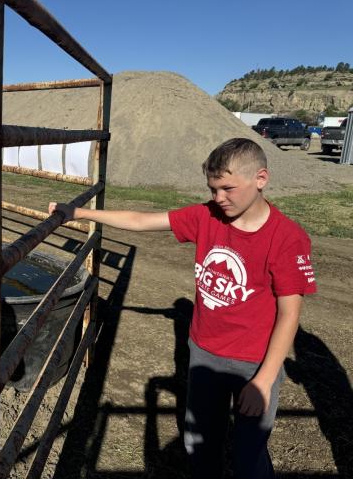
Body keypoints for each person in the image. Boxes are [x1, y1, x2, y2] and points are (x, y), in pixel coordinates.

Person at [49, 138, 317, 478]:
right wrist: (80, 212)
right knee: (200, 443)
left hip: (254, 361)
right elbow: (141, 220)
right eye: (212, 188)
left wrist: (264, 379)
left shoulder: (287, 238)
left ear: (260, 179)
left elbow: (289, 313)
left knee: (250, 454)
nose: (219, 198)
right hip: (203, 351)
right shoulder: (207, 216)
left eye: (228, 188)